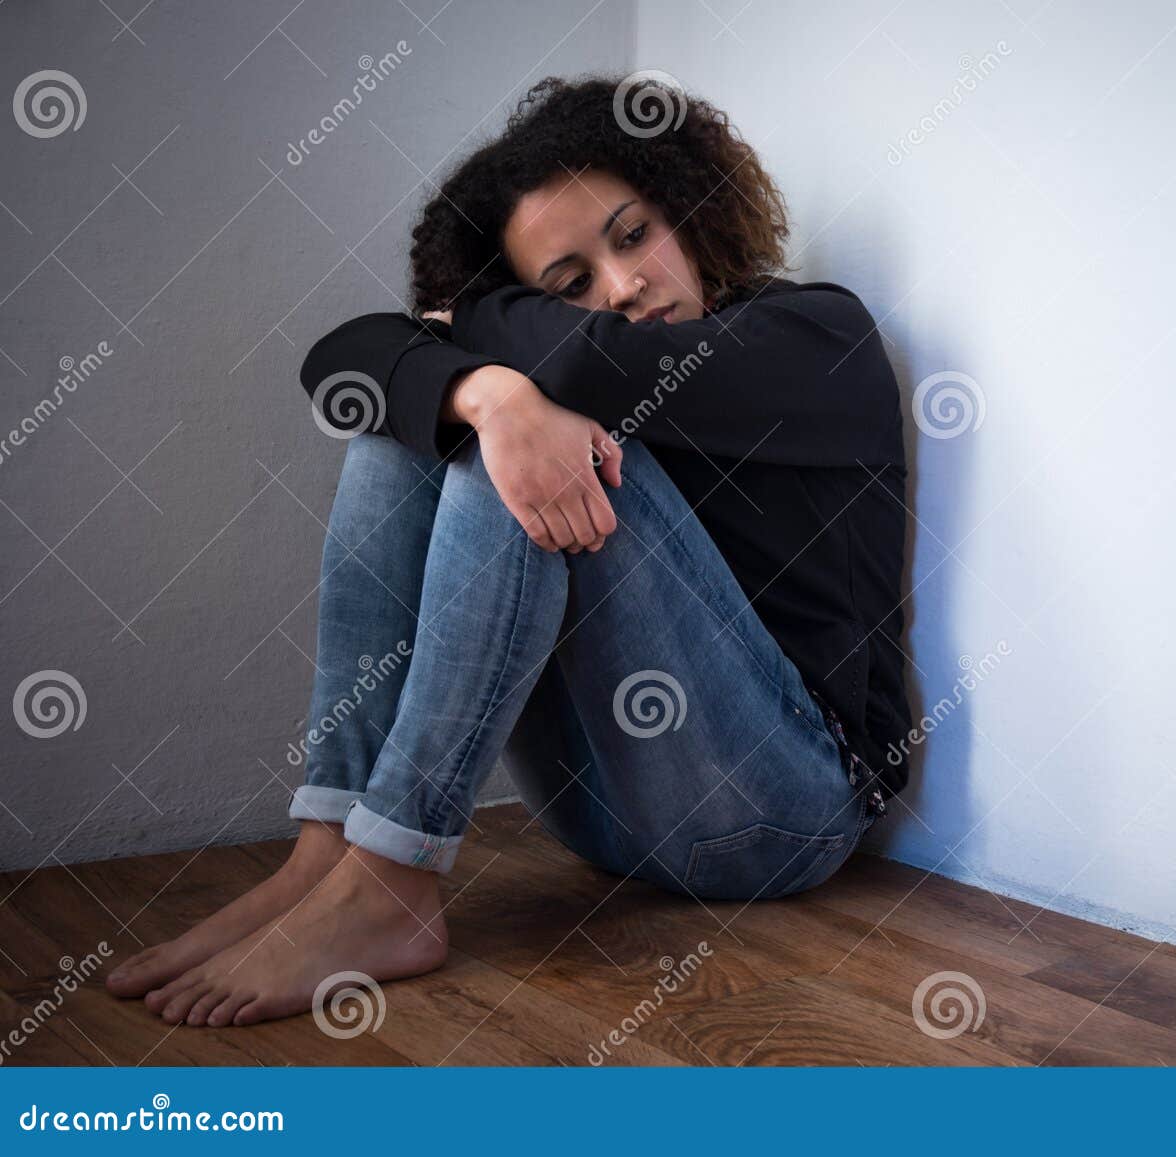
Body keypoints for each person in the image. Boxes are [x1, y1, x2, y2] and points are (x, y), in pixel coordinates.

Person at [104, 74, 911, 1028]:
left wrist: (487, 356)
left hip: (784, 813)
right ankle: (331, 850)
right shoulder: (568, 354)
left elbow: (590, 360)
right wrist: (489, 395)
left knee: (528, 444)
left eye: (633, 233)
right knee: (422, 430)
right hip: (603, 818)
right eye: (569, 284)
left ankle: (391, 881)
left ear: (687, 205)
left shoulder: (817, 336)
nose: (623, 288)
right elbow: (342, 366)